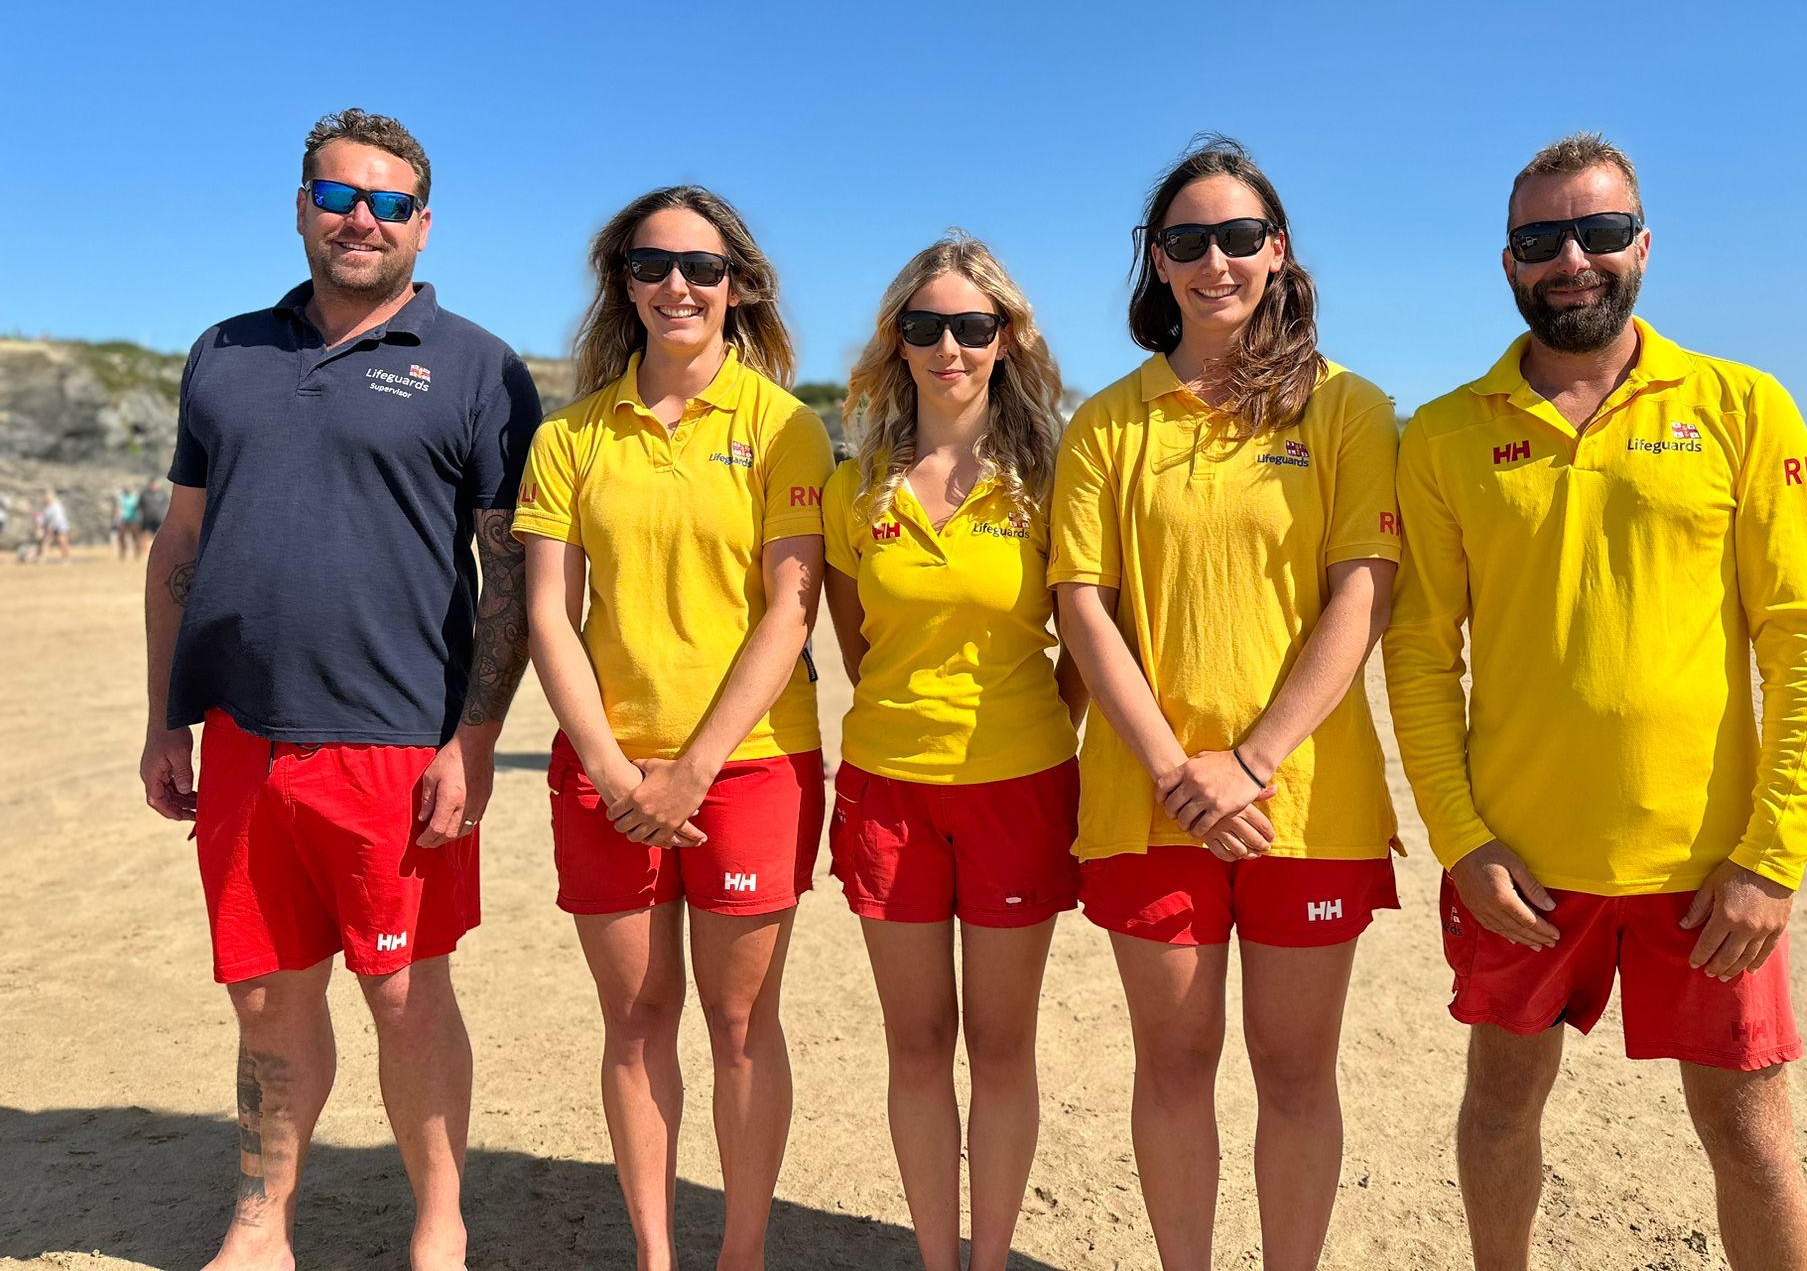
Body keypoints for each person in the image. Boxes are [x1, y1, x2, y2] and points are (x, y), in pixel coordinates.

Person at [1384, 132, 1807, 1271]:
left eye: (1595, 232)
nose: (1570, 259)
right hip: (1518, 863)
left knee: (1747, 1136)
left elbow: (1800, 639)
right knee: (1498, 1108)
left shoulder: (1741, 407)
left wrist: (1772, 853)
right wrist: (1462, 840)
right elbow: (1416, 652)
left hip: (1705, 866)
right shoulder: (1444, 433)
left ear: (1641, 246)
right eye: (1541, 239)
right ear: (1507, 262)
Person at [137, 108, 541, 1271]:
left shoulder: (477, 367)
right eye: (339, 196)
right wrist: (166, 716)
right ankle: (262, 1224)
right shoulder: (224, 351)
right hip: (243, 738)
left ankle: (438, 1225)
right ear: (303, 203)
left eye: (389, 203)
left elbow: (506, 573)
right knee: (264, 998)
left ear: (423, 222)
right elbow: (181, 546)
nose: (362, 219)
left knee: (405, 994)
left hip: (395, 739)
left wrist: (472, 739)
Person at [1049, 137, 1405, 1271]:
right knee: (1173, 1066)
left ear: (1278, 251)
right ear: (1154, 261)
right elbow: (1083, 608)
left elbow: (1362, 594)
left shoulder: (1347, 408)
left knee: (1296, 1074)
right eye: (1188, 241)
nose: (1216, 262)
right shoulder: (1105, 423)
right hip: (1150, 804)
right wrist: (1175, 772)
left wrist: (1247, 763)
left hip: (1304, 803)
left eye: (1238, 238)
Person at [515, 184, 834, 1271]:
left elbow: (793, 607)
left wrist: (690, 771)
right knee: (637, 1021)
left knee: (742, 1028)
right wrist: (610, 767)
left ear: (737, 285)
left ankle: (738, 1255)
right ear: (624, 284)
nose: (677, 286)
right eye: (652, 266)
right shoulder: (568, 435)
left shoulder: (786, 426)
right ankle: (655, 1257)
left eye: (701, 267)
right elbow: (548, 613)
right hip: (605, 772)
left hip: (748, 767)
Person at [820, 233, 1083, 1271]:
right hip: (888, 789)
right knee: (918, 1045)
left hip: (1019, 787)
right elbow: (855, 645)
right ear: (896, 344)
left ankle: (992, 1256)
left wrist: (1036, 720)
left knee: (1001, 1047)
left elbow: (1084, 642)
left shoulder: (1052, 481)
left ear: (1006, 340)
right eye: (923, 328)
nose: (947, 349)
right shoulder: (857, 489)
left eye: (972, 328)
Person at [38, 488, 72, 563]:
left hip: (60, 527)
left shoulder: (56, 506)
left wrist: (51, 527)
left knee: (62, 542)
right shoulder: (46, 508)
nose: (46, 499)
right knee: (46, 542)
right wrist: (42, 526)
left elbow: (58, 518)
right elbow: (44, 518)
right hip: (50, 527)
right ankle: (43, 558)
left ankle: (66, 558)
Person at [116, 485, 143, 559]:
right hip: (124, 520)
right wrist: (118, 519)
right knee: (121, 537)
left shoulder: (135, 498)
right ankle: (122, 553)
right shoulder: (122, 498)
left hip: (134, 520)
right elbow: (119, 508)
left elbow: (139, 507)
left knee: (136, 537)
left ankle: (137, 554)